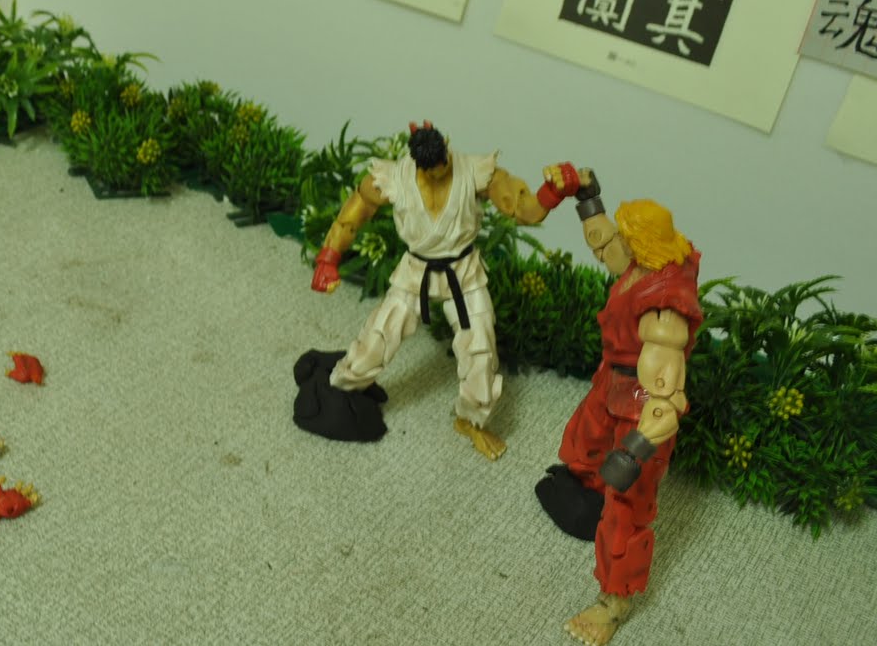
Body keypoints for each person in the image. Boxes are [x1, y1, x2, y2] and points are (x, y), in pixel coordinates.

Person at [293, 121, 583, 459]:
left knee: (480, 349)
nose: (439, 172)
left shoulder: (477, 172)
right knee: (379, 337)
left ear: (446, 146)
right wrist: (328, 258)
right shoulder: (393, 178)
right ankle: (342, 387)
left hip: (464, 273)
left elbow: (524, 210)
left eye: (443, 164)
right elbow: (353, 215)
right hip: (415, 272)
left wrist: (553, 192)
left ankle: (471, 420)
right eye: (431, 169)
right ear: (417, 163)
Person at [535, 192, 701, 646]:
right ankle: (589, 496)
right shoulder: (641, 263)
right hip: (612, 380)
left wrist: (636, 450)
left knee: (627, 502)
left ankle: (612, 603)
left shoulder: (664, 313)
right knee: (582, 445)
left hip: (643, 403)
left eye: (626, 235)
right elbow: (606, 244)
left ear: (642, 244)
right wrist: (587, 197)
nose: (616, 241)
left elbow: (666, 398)